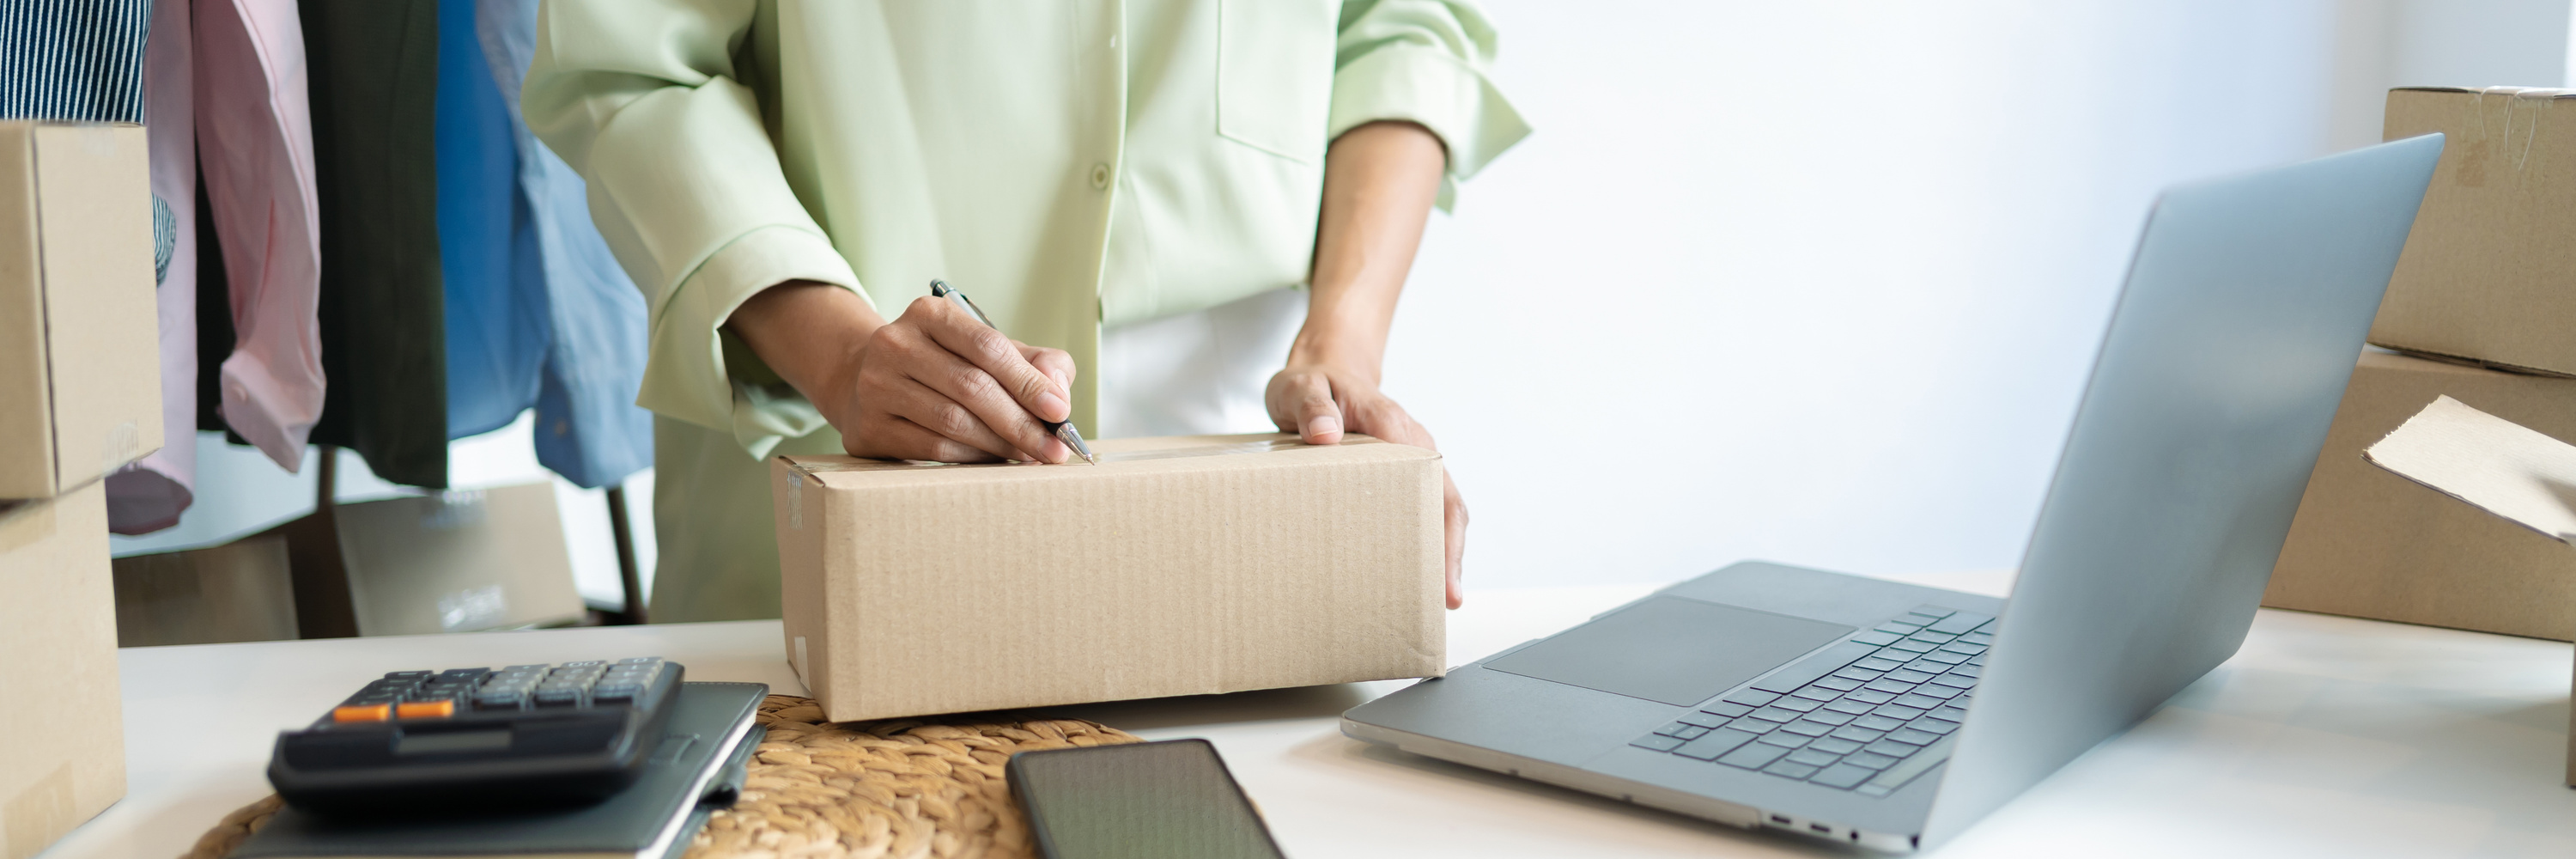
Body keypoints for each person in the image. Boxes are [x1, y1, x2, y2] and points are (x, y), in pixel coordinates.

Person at [524, 1, 1528, 622]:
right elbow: (633, 65)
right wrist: (840, 357)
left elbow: (1399, 25)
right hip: (851, 502)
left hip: (1253, 512)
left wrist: (1342, 343)